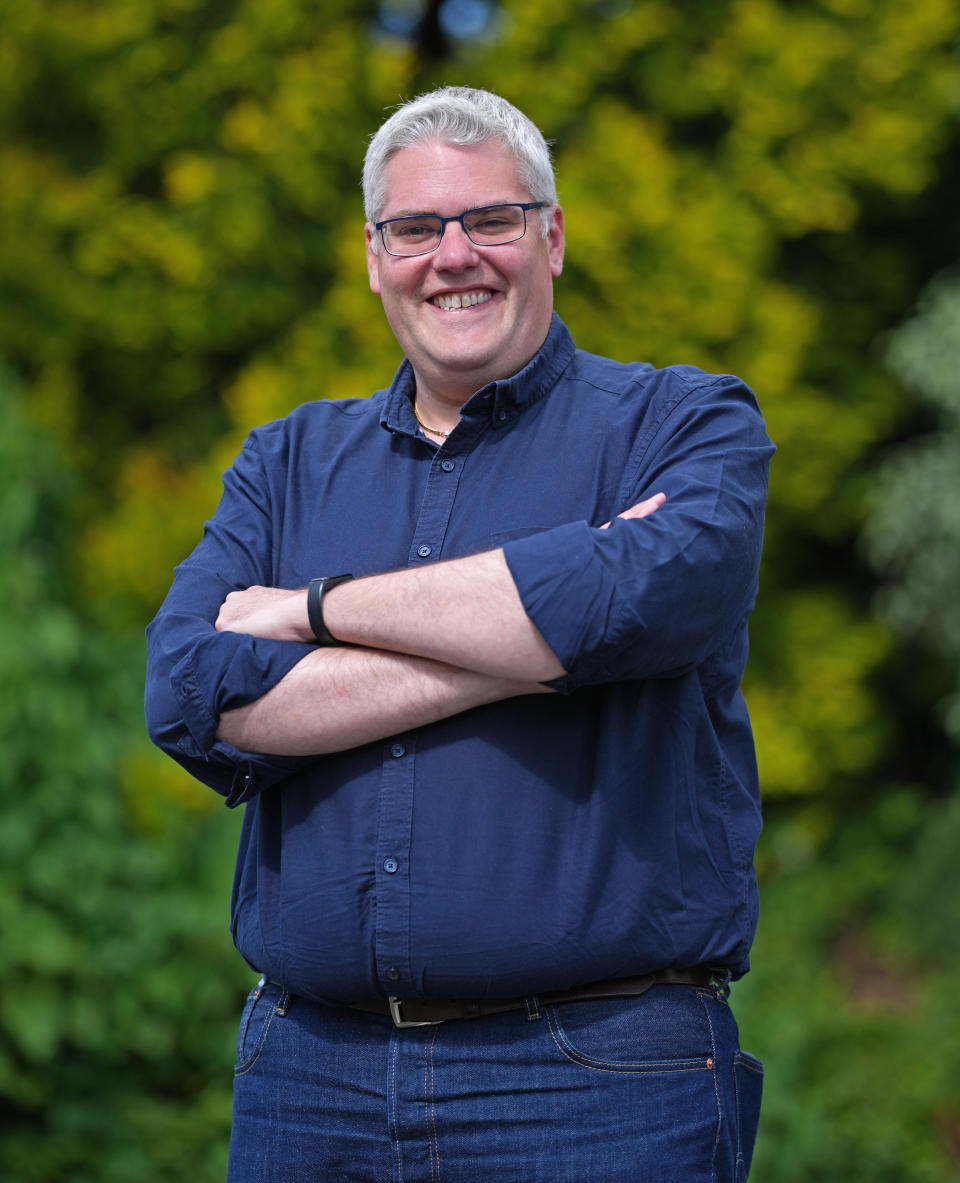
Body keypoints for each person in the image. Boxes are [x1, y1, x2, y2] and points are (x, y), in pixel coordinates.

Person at [145, 85, 774, 1182]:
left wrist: (312, 609)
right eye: (415, 228)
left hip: (598, 1083)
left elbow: (653, 593)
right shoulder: (286, 463)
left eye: (491, 219)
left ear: (553, 237)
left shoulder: (684, 424)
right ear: (374, 254)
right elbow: (191, 689)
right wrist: (539, 650)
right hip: (311, 1079)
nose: (454, 255)